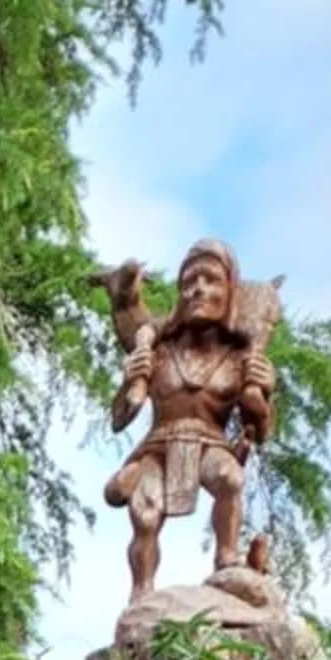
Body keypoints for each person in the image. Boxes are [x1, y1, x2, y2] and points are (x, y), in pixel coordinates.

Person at [104, 239, 276, 594]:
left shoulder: (238, 357)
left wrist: (261, 394)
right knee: (145, 512)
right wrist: (130, 382)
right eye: (188, 282)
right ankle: (142, 592)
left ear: (230, 291)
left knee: (229, 478)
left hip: (210, 441)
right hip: (159, 444)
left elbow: (259, 432)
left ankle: (226, 557)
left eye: (211, 280)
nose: (198, 289)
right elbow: (119, 419)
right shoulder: (160, 349)